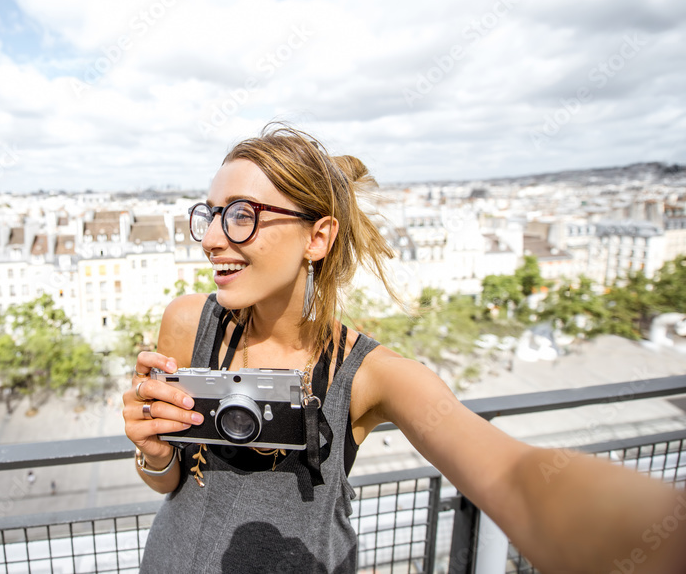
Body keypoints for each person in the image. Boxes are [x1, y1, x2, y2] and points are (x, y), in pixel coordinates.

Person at [123, 125, 686, 574]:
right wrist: (152, 448)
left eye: (243, 215)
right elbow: (172, 483)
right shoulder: (189, 322)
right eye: (212, 213)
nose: (215, 237)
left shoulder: (369, 375)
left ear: (317, 238)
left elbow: (513, 474)